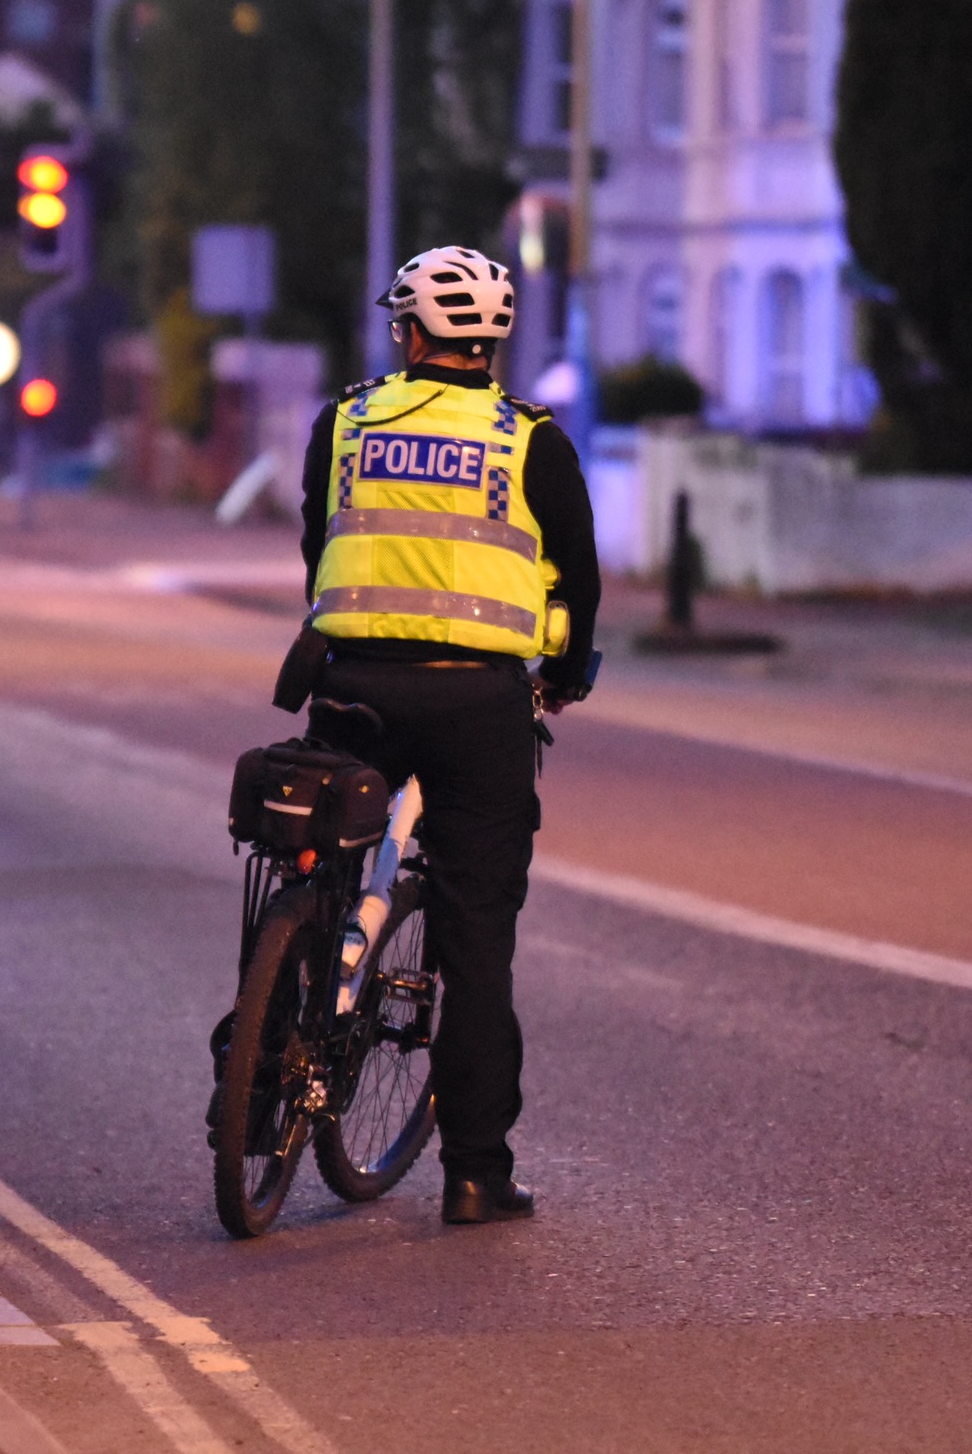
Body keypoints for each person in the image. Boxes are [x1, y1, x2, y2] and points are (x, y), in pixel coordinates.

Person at [295, 245, 600, 1225]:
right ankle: (474, 1173)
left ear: (408, 331)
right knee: (475, 936)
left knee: (318, 870)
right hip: (479, 705)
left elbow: (318, 546)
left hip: (355, 687)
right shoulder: (531, 442)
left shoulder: (345, 420)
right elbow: (580, 584)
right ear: (493, 340)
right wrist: (559, 674)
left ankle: (277, 1043)